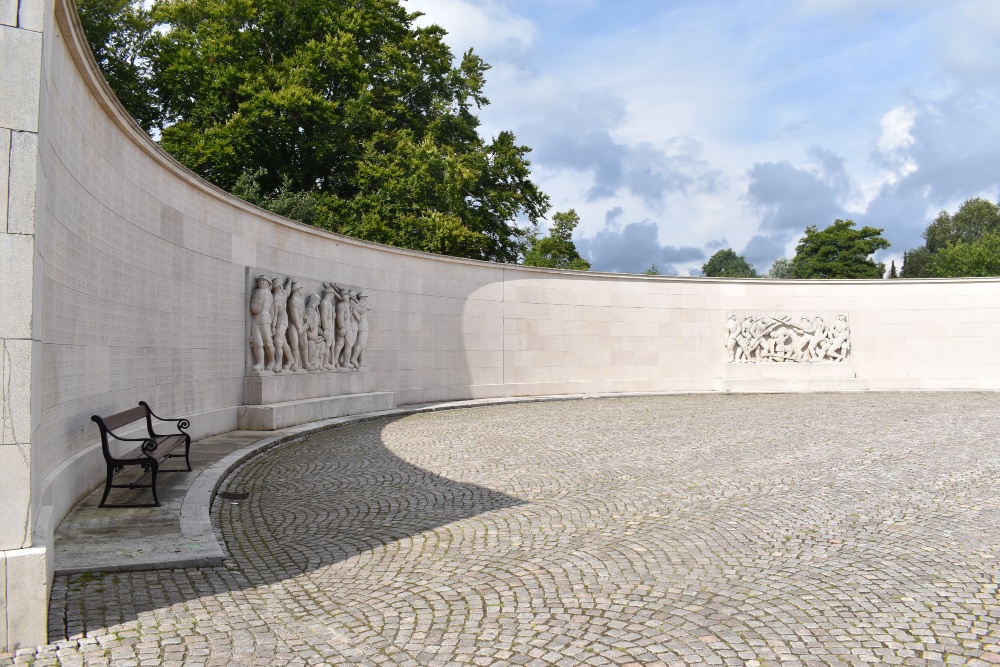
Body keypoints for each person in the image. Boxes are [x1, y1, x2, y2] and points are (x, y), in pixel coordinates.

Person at [249, 275, 275, 371]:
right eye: (260, 281)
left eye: (263, 280)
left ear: (268, 283)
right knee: (262, 341)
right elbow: (272, 311)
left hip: (259, 317)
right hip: (266, 318)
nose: (261, 282)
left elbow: (255, 309)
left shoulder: (260, 292)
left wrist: (252, 298)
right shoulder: (271, 294)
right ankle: (271, 361)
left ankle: (261, 363)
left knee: (259, 341)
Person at [270, 277, 292, 372]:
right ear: (279, 286)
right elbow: (274, 315)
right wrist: (273, 326)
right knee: (283, 342)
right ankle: (290, 359)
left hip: (283, 319)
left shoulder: (283, 294)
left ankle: (279, 363)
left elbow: (288, 290)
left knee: (278, 341)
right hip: (278, 319)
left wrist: (289, 282)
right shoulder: (275, 298)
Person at [287, 282, 308, 371]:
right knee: (295, 344)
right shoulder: (293, 300)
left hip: (302, 324)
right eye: (300, 289)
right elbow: (294, 316)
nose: (301, 291)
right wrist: (299, 328)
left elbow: (303, 312)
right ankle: (296, 362)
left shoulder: (301, 299)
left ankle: (306, 363)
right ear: (297, 289)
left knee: (304, 344)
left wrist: (305, 317)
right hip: (294, 325)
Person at [350, 292, 370, 369]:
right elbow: (361, 310)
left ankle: (361, 361)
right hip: (363, 326)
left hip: (359, 326)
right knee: (361, 344)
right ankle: (354, 358)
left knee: (363, 345)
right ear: (364, 298)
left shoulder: (357, 304)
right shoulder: (362, 305)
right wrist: (366, 306)